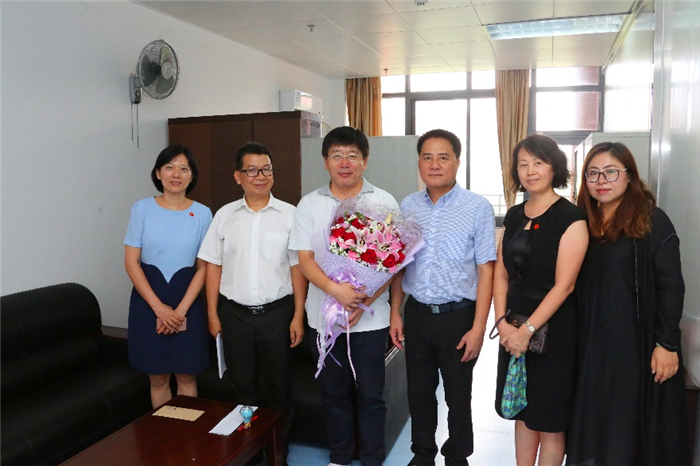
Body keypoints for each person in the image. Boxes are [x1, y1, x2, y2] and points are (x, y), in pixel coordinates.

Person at [566, 142, 688, 466]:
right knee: (594, 427)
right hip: (590, 344)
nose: (601, 180)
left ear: (629, 176)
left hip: (638, 346)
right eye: (592, 173)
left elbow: (672, 286)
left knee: (629, 430)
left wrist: (667, 344)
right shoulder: (580, 222)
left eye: (610, 172)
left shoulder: (652, 221)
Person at [289, 126, 398, 466]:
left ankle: (372, 458)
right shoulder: (309, 204)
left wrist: (364, 302)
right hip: (323, 320)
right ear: (326, 162)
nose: (345, 162)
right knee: (333, 395)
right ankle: (339, 457)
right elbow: (304, 259)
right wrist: (335, 290)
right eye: (337, 155)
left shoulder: (384, 201)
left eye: (352, 155)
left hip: (370, 321)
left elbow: (393, 262)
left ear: (365, 160)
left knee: (371, 396)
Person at [389, 129, 496, 466]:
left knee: (458, 394)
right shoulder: (408, 205)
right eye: (427, 157)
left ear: (457, 162)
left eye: (443, 157)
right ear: (419, 163)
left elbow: (487, 270)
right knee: (419, 393)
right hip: (418, 314)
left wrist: (478, 328)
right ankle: (422, 454)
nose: (434, 164)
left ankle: (457, 456)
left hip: (458, 317)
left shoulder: (477, 207)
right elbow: (399, 264)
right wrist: (396, 313)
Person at [197, 142, 306, 450]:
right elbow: (213, 266)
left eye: (266, 169)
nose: (261, 176)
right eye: (253, 170)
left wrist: (298, 315)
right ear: (238, 176)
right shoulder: (225, 216)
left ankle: (278, 452)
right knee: (242, 387)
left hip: (277, 314)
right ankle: (249, 450)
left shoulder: (290, 215)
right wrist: (212, 313)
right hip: (234, 316)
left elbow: (297, 268)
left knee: (279, 388)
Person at [492, 134, 588, 466]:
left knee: (549, 419)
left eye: (538, 162)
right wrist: (502, 323)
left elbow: (565, 285)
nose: (530, 171)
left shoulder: (571, 218)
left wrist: (527, 330)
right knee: (520, 411)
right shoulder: (514, 215)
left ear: (554, 168)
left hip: (554, 330)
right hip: (512, 326)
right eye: (523, 164)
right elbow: (501, 273)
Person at [124, 144, 212, 408]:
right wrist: (159, 308)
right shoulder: (141, 209)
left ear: (191, 175)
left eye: (184, 168)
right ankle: (164, 433)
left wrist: (180, 312)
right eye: (169, 167)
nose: (176, 174)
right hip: (149, 300)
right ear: (158, 173)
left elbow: (204, 268)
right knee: (158, 377)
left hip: (188, 301)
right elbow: (131, 262)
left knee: (186, 374)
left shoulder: (203, 214)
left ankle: (187, 432)